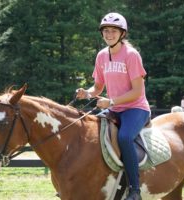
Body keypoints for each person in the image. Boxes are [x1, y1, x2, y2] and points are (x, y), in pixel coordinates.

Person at [76, 12, 150, 200]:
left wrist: (111, 101)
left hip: (136, 108)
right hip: (115, 109)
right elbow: (98, 86)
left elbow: (137, 92)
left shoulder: (131, 55)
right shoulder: (101, 56)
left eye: (113, 31)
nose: (109, 34)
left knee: (124, 137)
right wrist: (88, 93)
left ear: (122, 33)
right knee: (90, 132)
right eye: (106, 31)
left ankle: (135, 190)